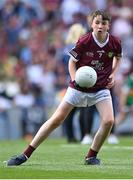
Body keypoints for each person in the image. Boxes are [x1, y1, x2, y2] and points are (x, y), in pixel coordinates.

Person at [6, 10, 122, 166]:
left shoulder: (115, 42)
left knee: (109, 121)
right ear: (92, 24)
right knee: (56, 119)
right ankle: (25, 155)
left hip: (100, 89)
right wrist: (75, 79)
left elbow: (118, 58)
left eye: (104, 23)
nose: (100, 26)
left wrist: (113, 74)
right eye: (97, 22)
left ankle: (91, 156)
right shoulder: (84, 41)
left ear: (109, 25)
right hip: (78, 88)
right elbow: (72, 62)